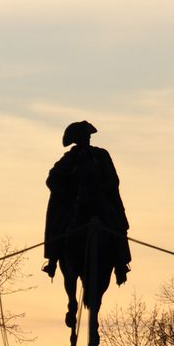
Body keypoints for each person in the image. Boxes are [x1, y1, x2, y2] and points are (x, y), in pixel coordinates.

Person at [42, 120, 130, 283]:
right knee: (58, 223)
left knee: (115, 221)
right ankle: (53, 260)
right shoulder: (69, 159)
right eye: (85, 136)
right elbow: (52, 179)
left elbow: (113, 180)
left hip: (98, 199)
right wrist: (67, 192)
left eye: (88, 136)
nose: (88, 138)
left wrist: (101, 188)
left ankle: (121, 263)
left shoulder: (101, 155)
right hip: (75, 201)